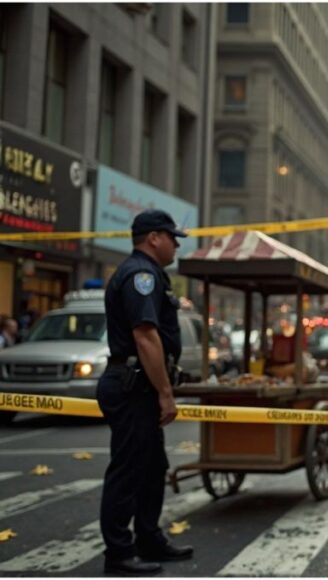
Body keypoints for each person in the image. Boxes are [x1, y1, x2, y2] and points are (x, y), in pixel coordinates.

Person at [97, 209, 193, 576]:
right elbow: (145, 336)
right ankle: (119, 554)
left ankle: (149, 539)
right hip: (133, 385)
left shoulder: (151, 274)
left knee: (152, 467)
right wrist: (165, 393)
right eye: (172, 237)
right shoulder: (141, 275)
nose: (176, 244)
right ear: (154, 238)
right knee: (129, 469)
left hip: (139, 385)